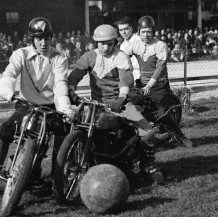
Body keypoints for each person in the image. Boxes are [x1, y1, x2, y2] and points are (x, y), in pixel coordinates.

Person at [0, 17, 72, 194]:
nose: (43, 42)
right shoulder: (21, 54)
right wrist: (7, 91)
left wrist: (64, 107)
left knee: (63, 135)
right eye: (39, 38)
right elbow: (9, 75)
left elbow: (60, 84)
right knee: (5, 131)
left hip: (52, 107)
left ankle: (59, 180)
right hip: (27, 105)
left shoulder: (59, 58)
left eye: (47, 38)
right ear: (31, 39)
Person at [67, 24, 164, 183]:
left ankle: (148, 164)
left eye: (109, 43)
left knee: (148, 132)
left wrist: (122, 96)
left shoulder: (121, 56)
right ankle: (71, 165)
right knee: (75, 127)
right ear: (95, 42)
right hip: (96, 103)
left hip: (121, 101)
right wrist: (71, 89)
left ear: (115, 42)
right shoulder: (89, 56)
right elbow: (76, 74)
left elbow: (126, 77)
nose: (105, 47)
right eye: (101, 43)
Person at [121, 15, 194, 147]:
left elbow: (160, 67)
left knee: (162, 114)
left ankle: (181, 138)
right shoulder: (134, 45)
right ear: (138, 32)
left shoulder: (160, 45)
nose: (146, 34)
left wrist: (150, 84)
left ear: (153, 31)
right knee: (132, 107)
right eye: (143, 32)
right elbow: (121, 57)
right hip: (142, 84)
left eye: (149, 31)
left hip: (159, 84)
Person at [115, 15, 141, 81]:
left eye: (126, 29)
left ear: (131, 28)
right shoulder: (123, 45)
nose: (123, 32)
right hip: (131, 76)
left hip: (143, 75)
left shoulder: (139, 40)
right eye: (121, 30)